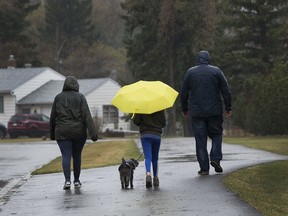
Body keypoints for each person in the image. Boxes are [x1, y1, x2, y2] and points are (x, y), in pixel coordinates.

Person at [180, 50, 232, 175]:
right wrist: (228, 107)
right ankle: (215, 159)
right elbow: (226, 90)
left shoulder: (190, 72)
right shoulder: (216, 71)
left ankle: (204, 168)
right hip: (214, 111)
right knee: (216, 134)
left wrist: (185, 109)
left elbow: (184, 92)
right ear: (209, 59)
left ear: (198, 59)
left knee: (200, 139)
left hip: (197, 112)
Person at [50, 76, 98, 190]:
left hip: (62, 132)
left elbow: (53, 117)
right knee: (77, 156)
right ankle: (76, 181)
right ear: (76, 85)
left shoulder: (58, 98)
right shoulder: (80, 97)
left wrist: (52, 134)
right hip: (78, 132)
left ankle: (67, 181)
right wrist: (93, 134)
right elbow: (87, 116)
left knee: (66, 156)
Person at [133, 110, 166, 188]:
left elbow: (136, 122)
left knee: (148, 157)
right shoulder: (160, 107)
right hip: (156, 135)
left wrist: (136, 112)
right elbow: (163, 123)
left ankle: (148, 174)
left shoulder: (141, 106)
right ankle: (155, 178)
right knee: (155, 158)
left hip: (145, 135)